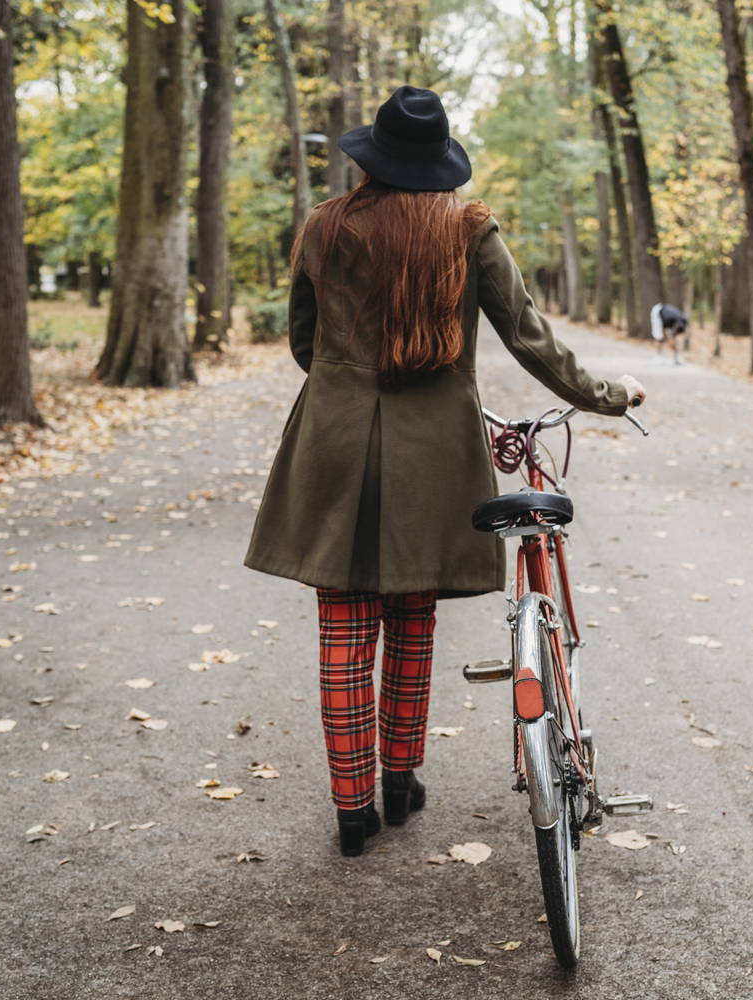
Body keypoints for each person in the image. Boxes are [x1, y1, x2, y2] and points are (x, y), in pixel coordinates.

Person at [243, 85, 646, 857]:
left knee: (343, 627)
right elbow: (531, 340)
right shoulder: (467, 231)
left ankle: (351, 808)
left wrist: (342, 382)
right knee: (411, 621)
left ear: (372, 159)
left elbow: (303, 338)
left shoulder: (327, 226)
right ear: (440, 164)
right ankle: (400, 781)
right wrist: (607, 396)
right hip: (436, 452)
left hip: (333, 442)